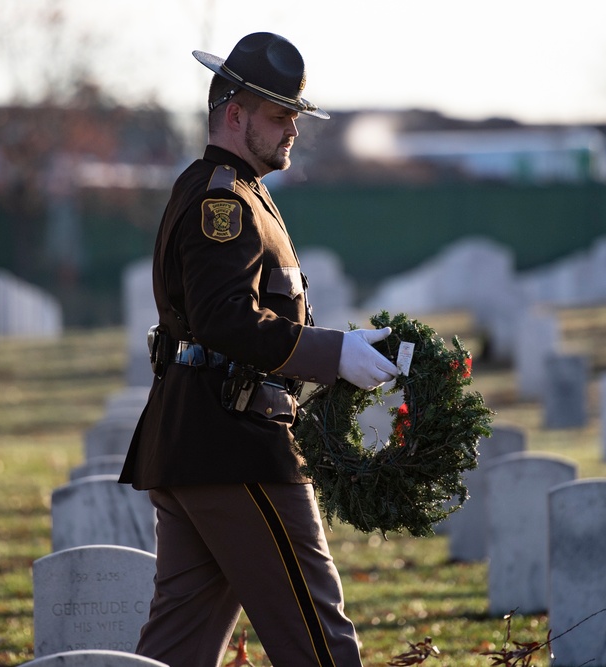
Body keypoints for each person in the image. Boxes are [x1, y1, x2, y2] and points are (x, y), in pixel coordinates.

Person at [118, 32, 397, 666]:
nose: (293, 129)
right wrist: (333, 355)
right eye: (279, 115)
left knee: (176, 650)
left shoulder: (233, 189)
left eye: (295, 115)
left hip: (196, 442)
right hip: (235, 445)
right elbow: (224, 319)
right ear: (235, 114)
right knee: (319, 642)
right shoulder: (224, 197)